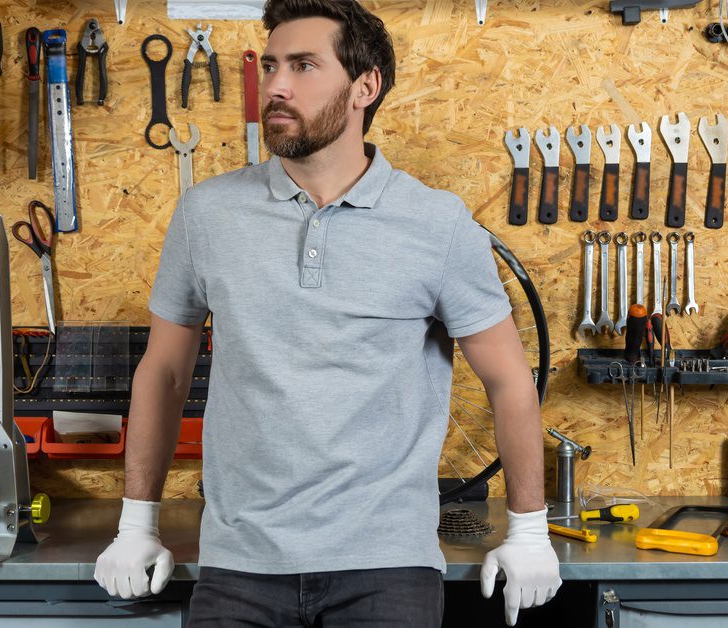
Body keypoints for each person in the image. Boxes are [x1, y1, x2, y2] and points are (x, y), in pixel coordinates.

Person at [93, 1, 561, 625]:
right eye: (272, 66)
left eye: (305, 66)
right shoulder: (206, 215)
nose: (277, 85)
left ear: (365, 86)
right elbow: (164, 375)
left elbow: (508, 379)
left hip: (387, 569)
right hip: (240, 565)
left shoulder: (437, 224)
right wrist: (136, 522)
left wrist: (529, 529)